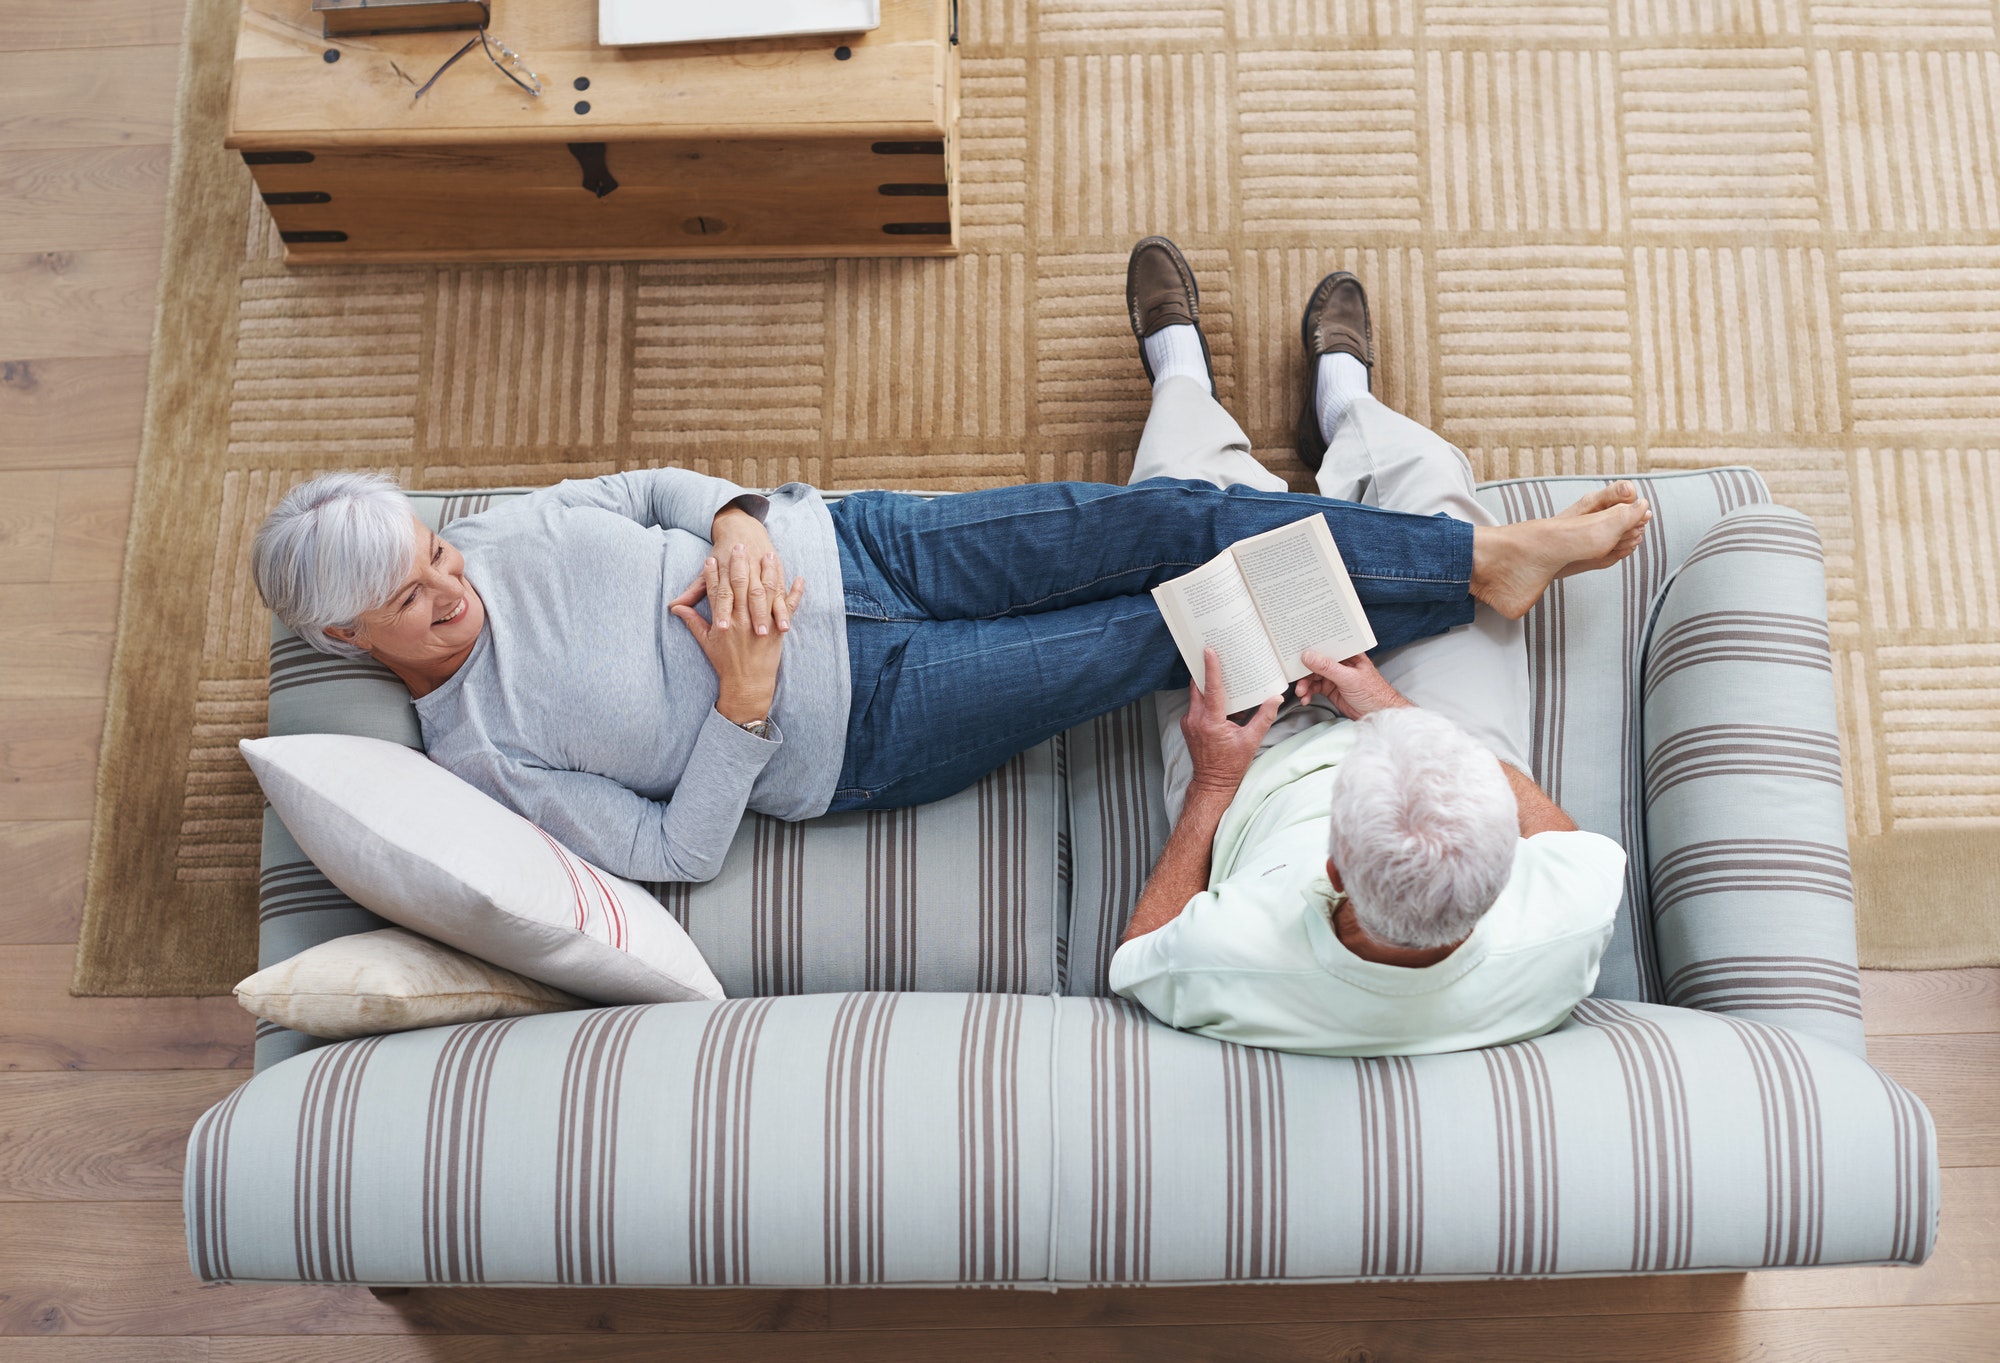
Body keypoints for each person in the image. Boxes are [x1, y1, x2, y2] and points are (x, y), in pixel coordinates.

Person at [250, 244, 1649, 885]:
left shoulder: (493, 532)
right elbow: (675, 853)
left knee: (1161, 521)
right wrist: (741, 702)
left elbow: (652, 485)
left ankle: (1477, 558)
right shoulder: (478, 755)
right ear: (350, 640)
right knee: (1181, 619)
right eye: (414, 596)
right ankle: (1474, 563)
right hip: (872, 717)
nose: (453, 583)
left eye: (436, 545)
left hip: (858, 540)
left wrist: (735, 514)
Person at [1109, 236, 1630, 1057]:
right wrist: (1386, 711)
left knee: (1180, 516)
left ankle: (1184, 386)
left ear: (1338, 872)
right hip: (1435, 728)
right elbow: (1570, 845)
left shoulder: (1241, 959)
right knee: (1436, 494)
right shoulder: (1565, 927)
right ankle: (1347, 414)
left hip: (1249, 760)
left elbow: (1139, 955)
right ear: (1504, 867)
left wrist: (1213, 780)